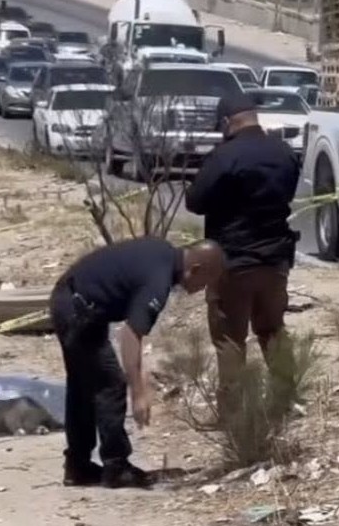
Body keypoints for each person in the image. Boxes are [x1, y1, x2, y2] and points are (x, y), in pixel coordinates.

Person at [50, 237, 225, 489]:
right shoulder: (159, 279)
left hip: (71, 299)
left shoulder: (163, 253)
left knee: (83, 386)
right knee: (111, 384)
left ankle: (78, 466)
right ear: (195, 269)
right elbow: (131, 335)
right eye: (205, 282)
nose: (202, 288)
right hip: (78, 310)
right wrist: (138, 392)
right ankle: (116, 466)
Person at [185, 92, 302, 414]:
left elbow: (194, 201)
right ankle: (285, 400)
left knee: (229, 340)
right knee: (273, 329)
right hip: (275, 261)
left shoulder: (225, 156)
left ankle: (234, 414)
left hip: (233, 263)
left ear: (227, 122)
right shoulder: (283, 152)